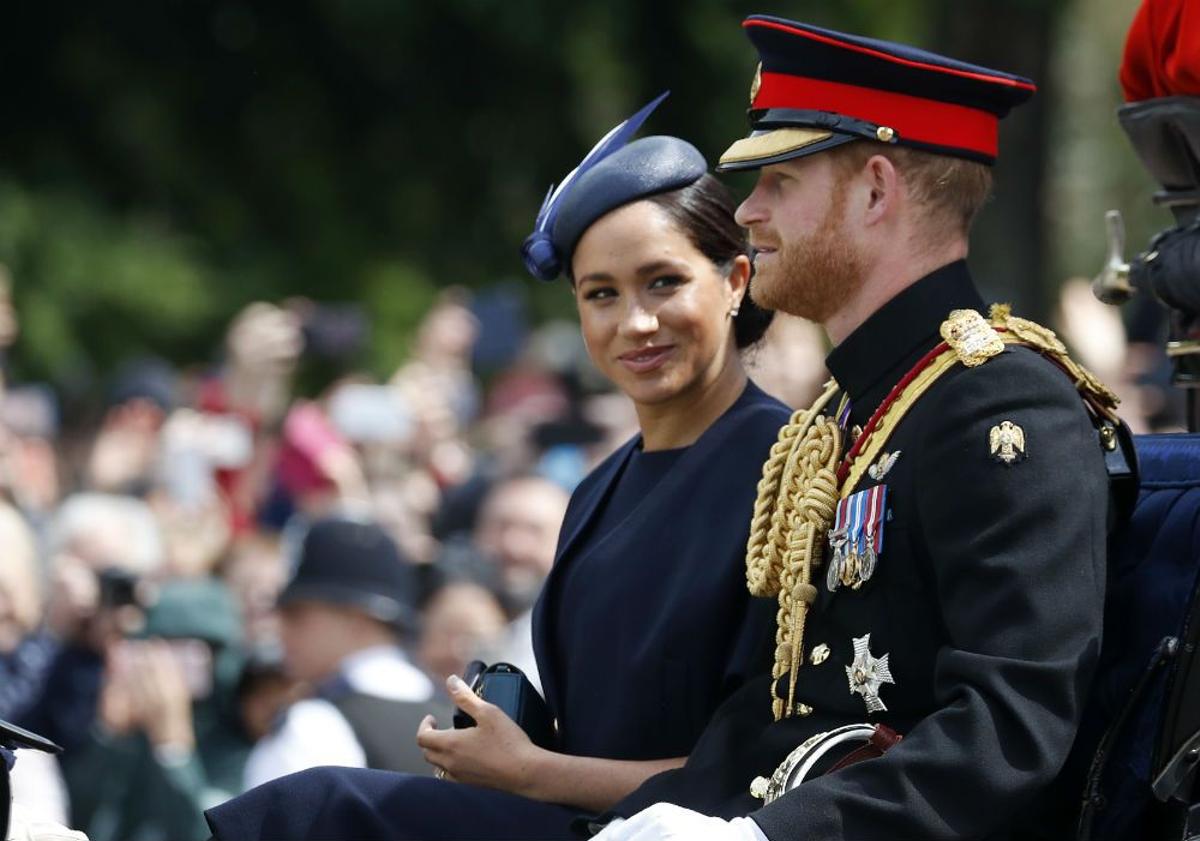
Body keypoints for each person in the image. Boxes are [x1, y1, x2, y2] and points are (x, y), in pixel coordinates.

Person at [204, 94, 789, 840]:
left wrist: (532, 771)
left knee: (321, 811)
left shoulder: (787, 471)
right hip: (569, 817)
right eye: (601, 294)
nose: (634, 322)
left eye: (663, 282)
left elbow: (761, 769)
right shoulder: (595, 491)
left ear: (736, 280)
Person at [595, 15, 1118, 841]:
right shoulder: (848, 410)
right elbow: (775, 710)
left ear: (876, 190)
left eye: (780, 183)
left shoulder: (1004, 406)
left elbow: (1008, 730)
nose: (748, 214)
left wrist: (768, 837)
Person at [241, 517, 441, 786]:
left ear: (356, 619)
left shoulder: (313, 727)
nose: (281, 630)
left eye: (297, 614)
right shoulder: (455, 715)